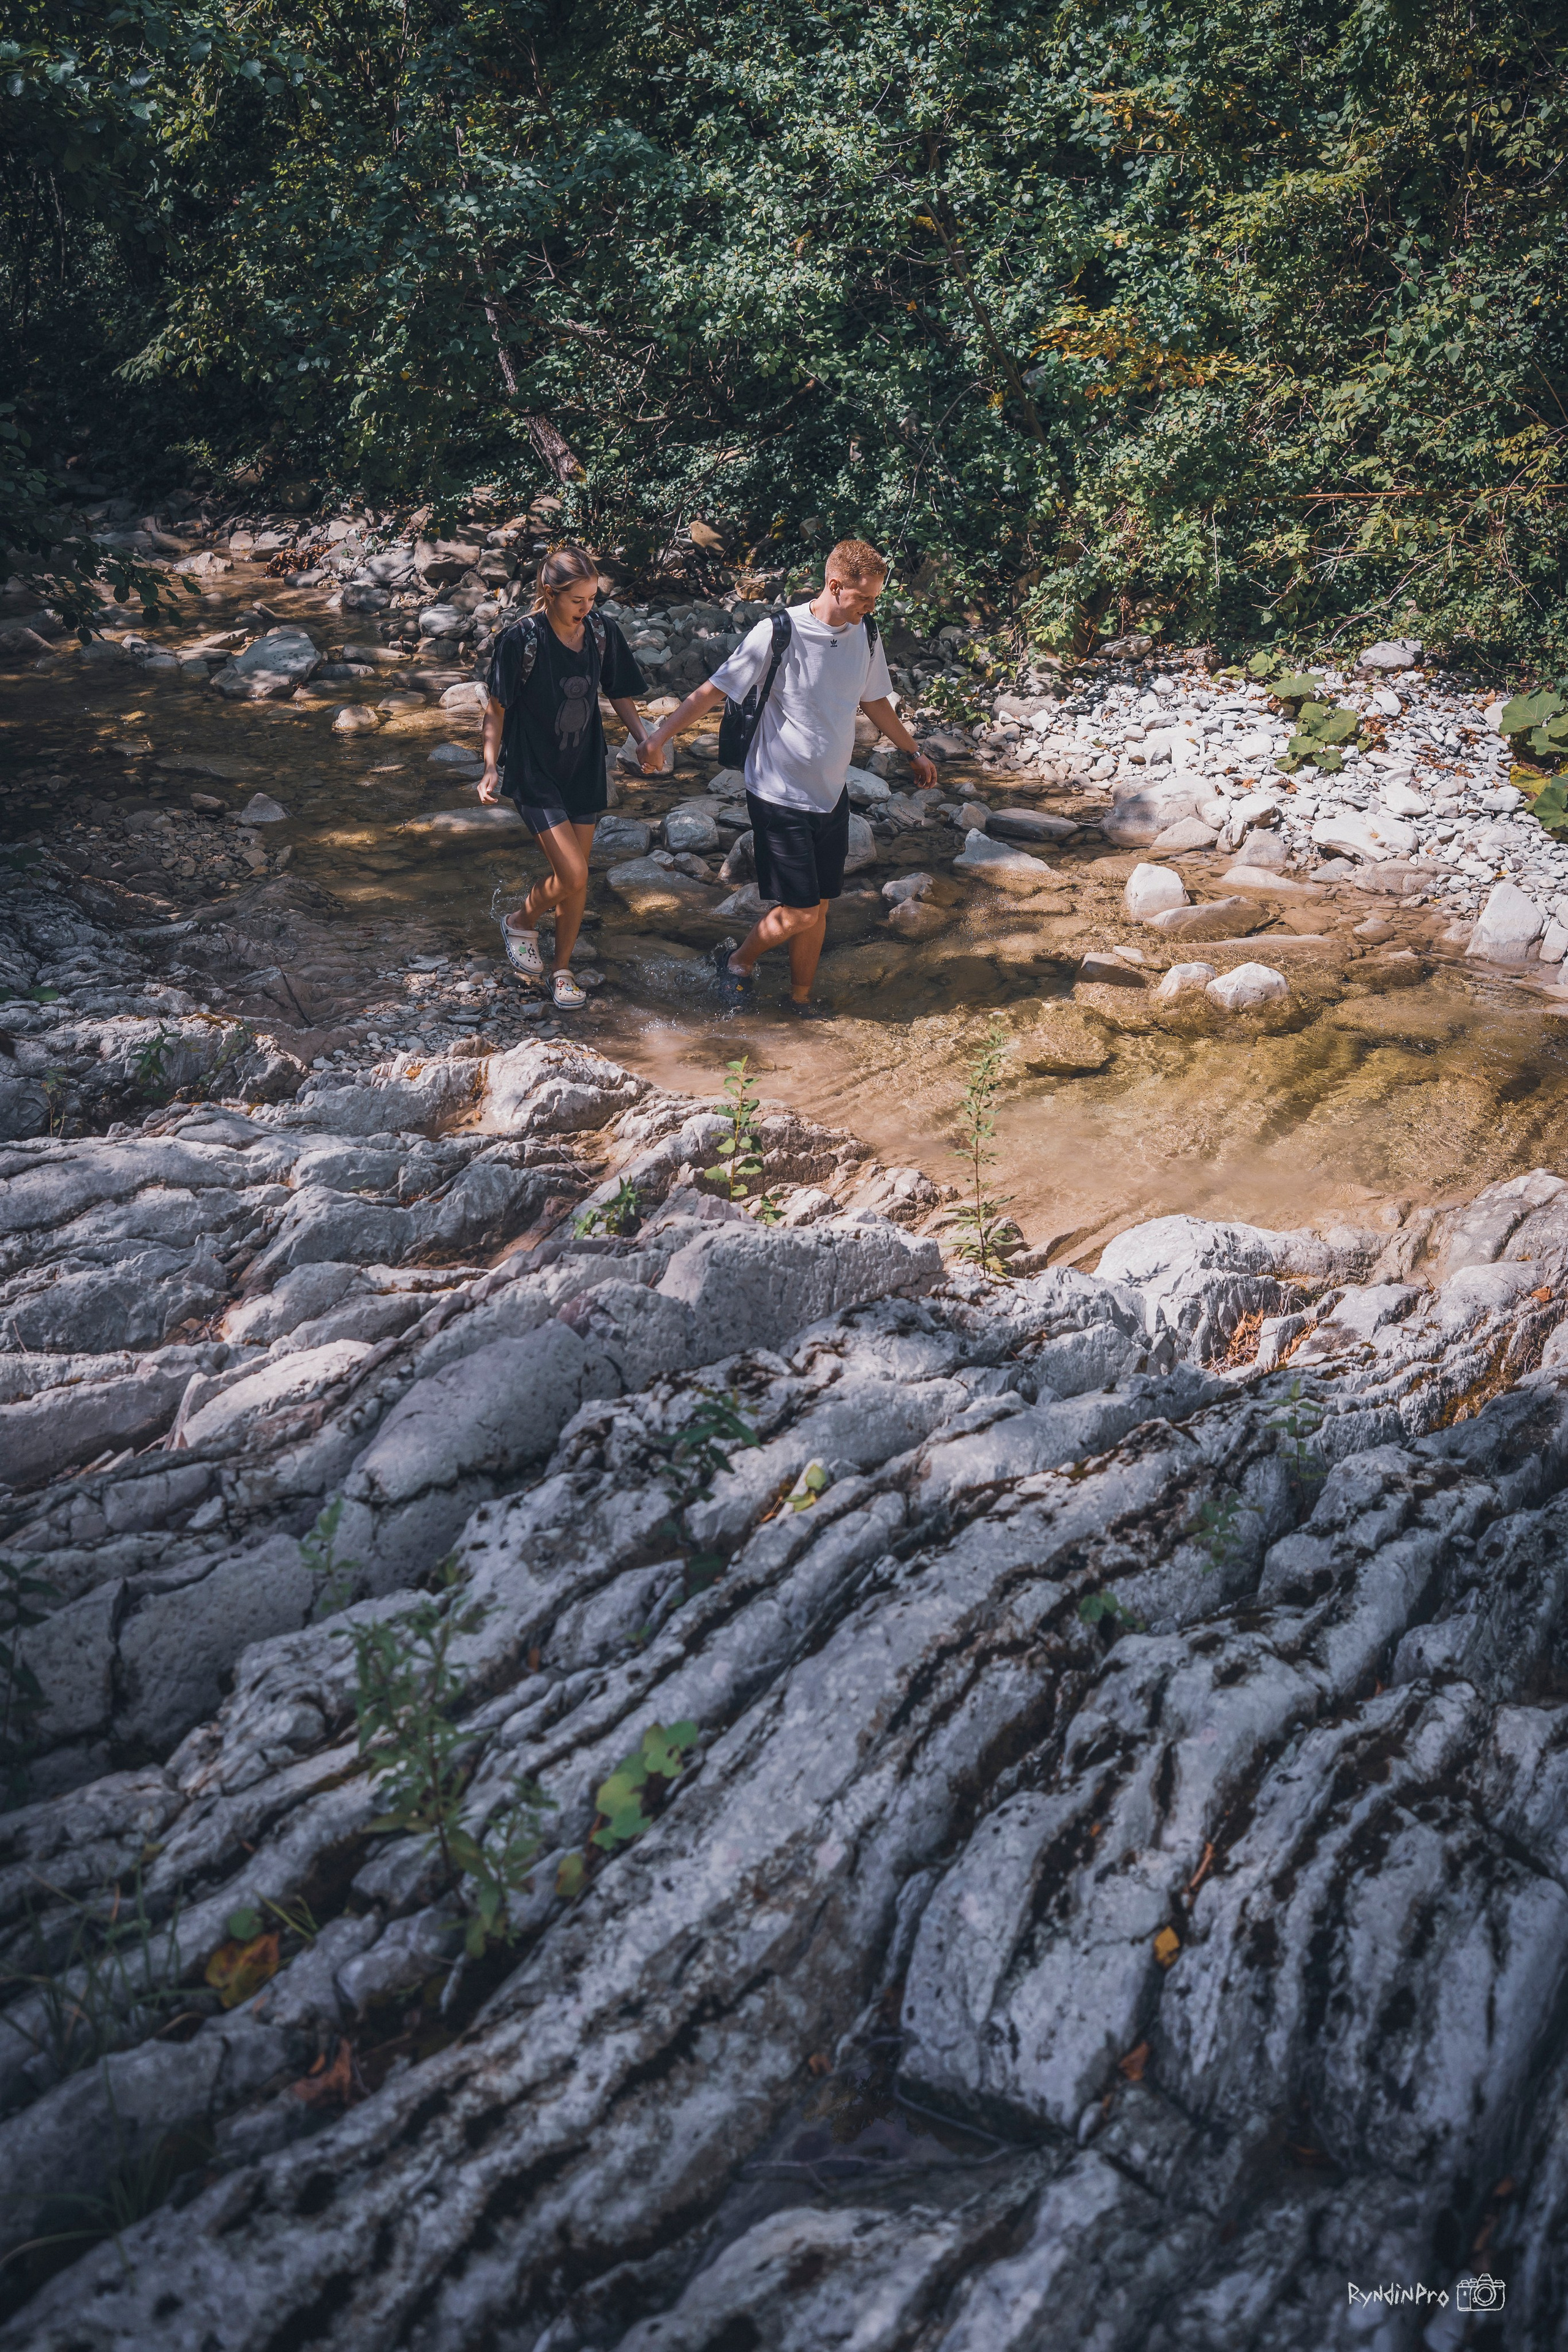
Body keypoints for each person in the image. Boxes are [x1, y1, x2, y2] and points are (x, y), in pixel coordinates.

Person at [638, 538, 937, 1016]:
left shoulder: (867, 633)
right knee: (800, 910)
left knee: (817, 906)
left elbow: (874, 700)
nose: (870, 606)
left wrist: (913, 751)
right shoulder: (778, 631)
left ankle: (800, 998)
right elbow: (713, 690)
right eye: (864, 597)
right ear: (834, 586)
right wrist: (658, 738)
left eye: (876, 598)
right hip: (778, 792)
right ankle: (738, 962)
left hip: (830, 793)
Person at [478, 543, 651, 1010]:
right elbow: (496, 708)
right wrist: (491, 765)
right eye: (578, 600)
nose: (587, 608)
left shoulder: (600, 631)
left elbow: (619, 693)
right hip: (534, 770)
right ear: (549, 593)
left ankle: (562, 970)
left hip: (584, 765)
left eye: (593, 598)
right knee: (573, 873)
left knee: (576, 878)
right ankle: (521, 918)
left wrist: (643, 739)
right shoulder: (520, 639)